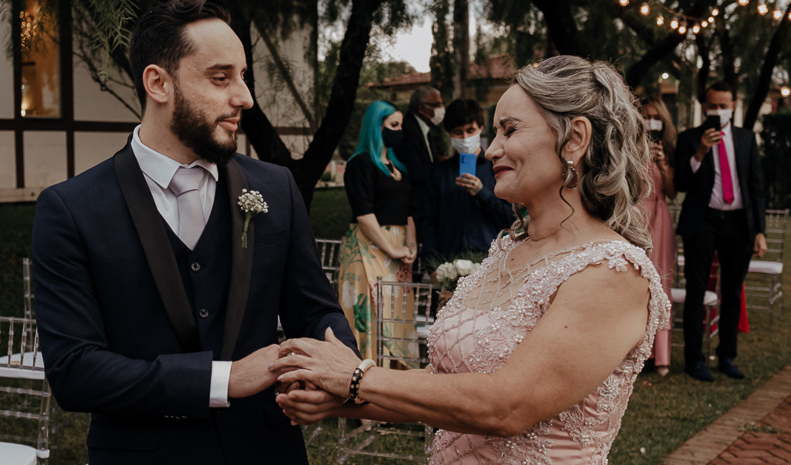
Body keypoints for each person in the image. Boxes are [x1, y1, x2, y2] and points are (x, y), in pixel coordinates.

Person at [273, 56, 671, 465]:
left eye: (509, 130)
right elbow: (444, 387)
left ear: (574, 139)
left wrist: (358, 377)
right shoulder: (507, 251)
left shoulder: (612, 271)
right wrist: (337, 398)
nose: (490, 148)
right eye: (493, 132)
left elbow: (506, 406)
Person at [31, 0, 356, 465]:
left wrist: (335, 370)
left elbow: (316, 310)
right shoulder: (70, 210)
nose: (244, 97)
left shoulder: (275, 187)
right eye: (221, 78)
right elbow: (75, 371)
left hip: (267, 451)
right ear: (158, 83)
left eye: (243, 77)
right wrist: (223, 379)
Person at [674, 81, 767, 382]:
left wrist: (760, 231)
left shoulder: (745, 139)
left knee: (732, 291)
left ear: (734, 106)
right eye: (713, 106)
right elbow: (680, 185)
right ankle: (694, 359)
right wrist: (700, 152)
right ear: (704, 106)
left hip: (738, 223)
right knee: (696, 291)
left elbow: (755, 187)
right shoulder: (689, 138)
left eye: (724, 106)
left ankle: (727, 356)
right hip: (703, 221)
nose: (719, 111)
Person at [339, 100, 417, 362]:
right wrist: (392, 248)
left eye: (400, 125)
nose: (399, 130)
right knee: (369, 316)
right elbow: (364, 215)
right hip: (368, 247)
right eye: (393, 125)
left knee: (396, 315)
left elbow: (408, 212)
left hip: (397, 250)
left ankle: (394, 379)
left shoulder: (399, 168)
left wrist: (411, 245)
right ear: (376, 126)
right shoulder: (359, 164)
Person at [418, 98, 515, 265]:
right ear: (450, 133)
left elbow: (511, 218)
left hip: (488, 261)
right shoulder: (439, 172)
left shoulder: (497, 168)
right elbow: (428, 221)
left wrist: (482, 193)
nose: (465, 137)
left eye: (470, 130)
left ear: (480, 128)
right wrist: (431, 263)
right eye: (458, 132)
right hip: (447, 263)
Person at [639, 97, 677, 376]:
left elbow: (674, 192)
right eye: (646, 116)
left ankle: (661, 355)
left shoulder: (669, 149)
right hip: (637, 217)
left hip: (660, 218)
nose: (651, 121)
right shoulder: (630, 146)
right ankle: (638, 352)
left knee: (661, 281)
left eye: (656, 116)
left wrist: (663, 165)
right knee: (637, 283)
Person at [394, 86, 446, 218]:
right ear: (422, 108)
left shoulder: (425, 129)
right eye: (437, 105)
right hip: (414, 206)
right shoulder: (408, 129)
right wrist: (441, 168)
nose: (441, 110)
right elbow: (414, 170)